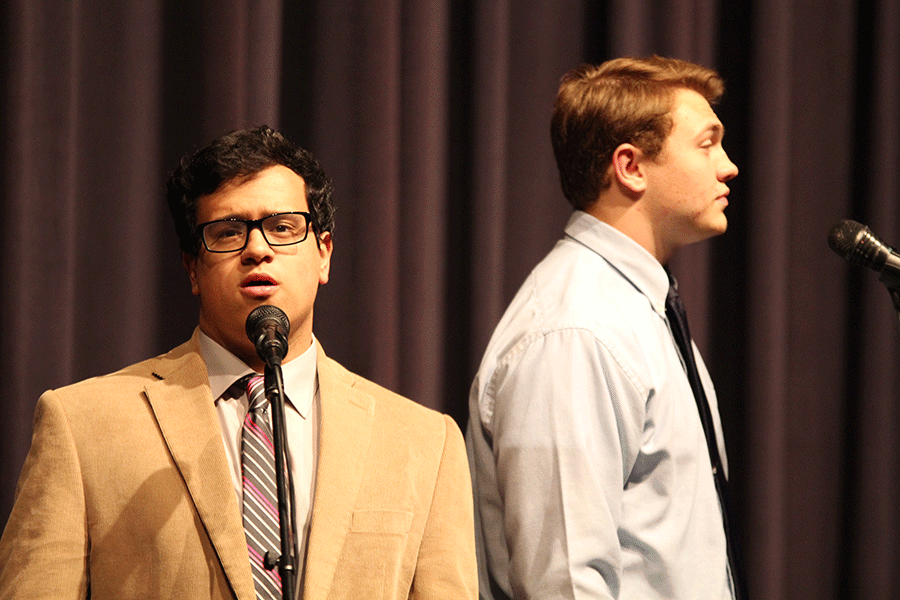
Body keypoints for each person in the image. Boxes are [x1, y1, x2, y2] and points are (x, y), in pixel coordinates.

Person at [0, 125, 477, 600]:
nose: (257, 249)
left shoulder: (424, 445)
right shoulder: (83, 426)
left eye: (283, 227)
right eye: (228, 232)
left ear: (324, 254)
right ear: (192, 266)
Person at [467, 56, 743, 599]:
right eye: (707, 143)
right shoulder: (577, 331)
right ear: (631, 167)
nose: (728, 166)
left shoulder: (635, 308)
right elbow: (565, 582)